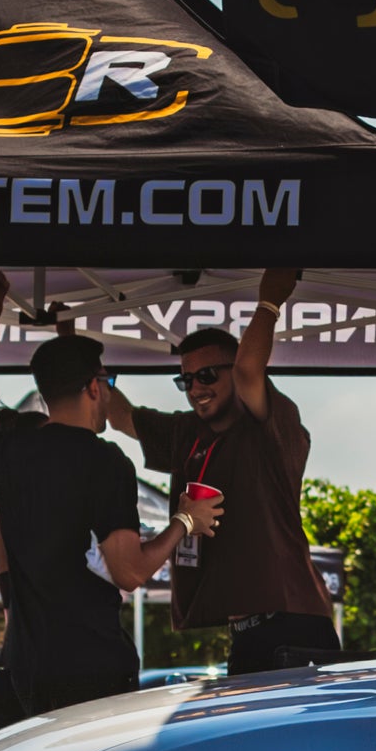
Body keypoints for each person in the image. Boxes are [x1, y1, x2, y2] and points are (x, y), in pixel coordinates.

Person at [99, 268, 343, 679]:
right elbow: (121, 417)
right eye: (186, 380)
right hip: (246, 632)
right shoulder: (186, 432)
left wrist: (269, 301)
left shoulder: (270, 424)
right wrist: (83, 361)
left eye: (208, 375)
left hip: (293, 623)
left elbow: (250, 370)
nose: (196, 388)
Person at [0, 319, 215, 716]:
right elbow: (129, 573)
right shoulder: (105, 461)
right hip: (91, 664)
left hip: (26, 669)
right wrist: (185, 521)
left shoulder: (6, 450)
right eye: (107, 381)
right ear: (95, 387)